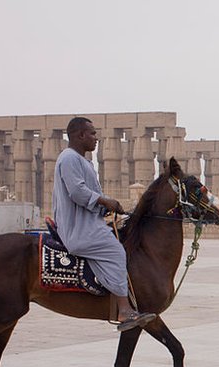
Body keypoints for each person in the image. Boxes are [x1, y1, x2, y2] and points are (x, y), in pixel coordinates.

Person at [53, 117, 155, 332]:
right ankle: (124, 309)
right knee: (117, 252)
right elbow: (77, 192)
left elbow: (87, 196)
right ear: (80, 135)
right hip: (79, 229)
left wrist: (105, 206)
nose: (96, 138)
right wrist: (105, 201)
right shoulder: (70, 158)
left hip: (89, 222)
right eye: (92, 133)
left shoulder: (82, 161)